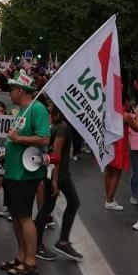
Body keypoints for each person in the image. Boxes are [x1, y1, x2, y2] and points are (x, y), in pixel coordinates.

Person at [0, 71, 49, 275]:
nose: (9, 93)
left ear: (21, 90)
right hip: (12, 171)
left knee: (25, 216)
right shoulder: (20, 110)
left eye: (12, 89)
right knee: (15, 215)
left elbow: (44, 138)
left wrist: (18, 140)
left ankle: (31, 261)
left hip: (25, 174)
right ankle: (21, 256)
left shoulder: (37, 108)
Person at [34, 103, 83, 262]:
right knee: (47, 208)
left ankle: (62, 241)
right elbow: (55, 153)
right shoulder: (61, 128)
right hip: (57, 174)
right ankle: (36, 244)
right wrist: (55, 180)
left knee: (73, 202)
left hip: (60, 174)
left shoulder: (52, 126)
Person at [104, 97, 138, 211]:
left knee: (108, 173)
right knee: (116, 174)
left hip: (109, 144)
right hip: (119, 147)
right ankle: (109, 201)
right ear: (125, 101)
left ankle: (109, 198)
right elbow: (137, 128)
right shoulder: (125, 115)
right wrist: (137, 114)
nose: (130, 104)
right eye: (129, 101)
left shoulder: (109, 113)